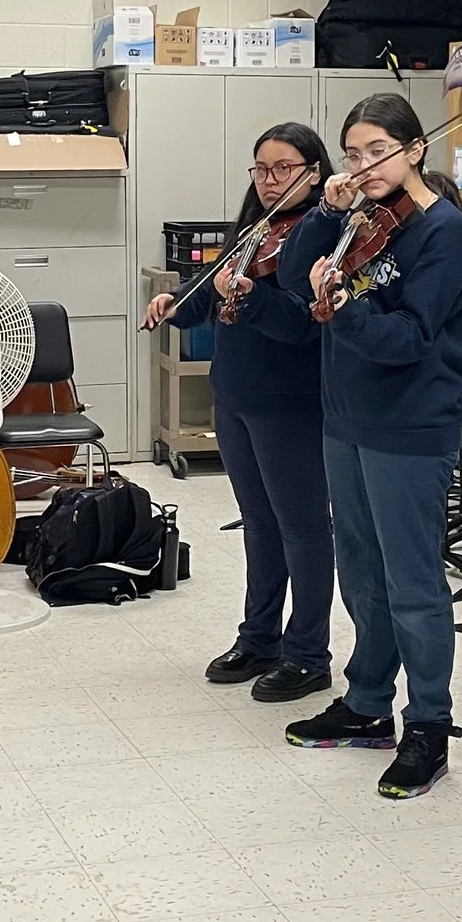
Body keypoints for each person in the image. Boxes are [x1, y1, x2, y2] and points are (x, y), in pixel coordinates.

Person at [274, 92, 462, 798]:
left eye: (378, 151)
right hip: (348, 419)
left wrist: (347, 307)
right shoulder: (361, 218)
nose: (364, 166)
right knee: (361, 571)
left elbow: (410, 338)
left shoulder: (442, 233)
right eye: (354, 154)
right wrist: (328, 216)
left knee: (412, 583)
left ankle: (428, 722)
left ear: (415, 148)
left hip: (409, 428)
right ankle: (368, 701)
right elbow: (287, 278)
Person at [142, 122, 338, 703]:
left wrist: (251, 299)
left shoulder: (323, 236)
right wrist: (174, 305)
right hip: (236, 399)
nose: (272, 181)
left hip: (290, 402)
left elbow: (302, 325)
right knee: (260, 525)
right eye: (262, 169)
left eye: (286, 168)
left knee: (302, 529)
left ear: (315, 171)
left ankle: (309, 653)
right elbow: (206, 296)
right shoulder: (253, 232)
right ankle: (260, 637)